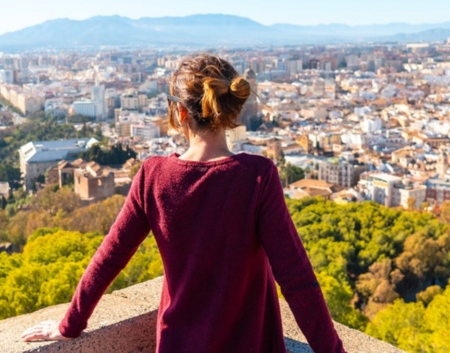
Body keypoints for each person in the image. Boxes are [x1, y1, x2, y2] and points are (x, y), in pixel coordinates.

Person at [22, 54, 346, 352]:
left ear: (179, 113)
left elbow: (110, 258)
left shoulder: (153, 175)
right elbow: (295, 278)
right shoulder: (257, 177)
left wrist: (70, 324)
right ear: (231, 110)